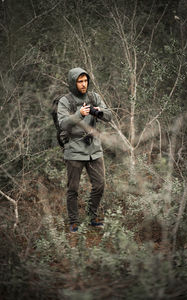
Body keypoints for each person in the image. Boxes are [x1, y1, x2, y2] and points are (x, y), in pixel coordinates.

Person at [57, 67, 112, 232]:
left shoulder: (94, 97)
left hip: (94, 148)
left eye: (85, 80)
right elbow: (63, 123)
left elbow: (109, 115)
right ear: (73, 83)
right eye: (80, 81)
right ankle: (73, 221)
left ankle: (91, 216)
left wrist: (99, 112)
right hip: (74, 150)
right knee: (73, 188)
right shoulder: (65, 101)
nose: (83, 84)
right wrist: (79, 114)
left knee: (100, 185)